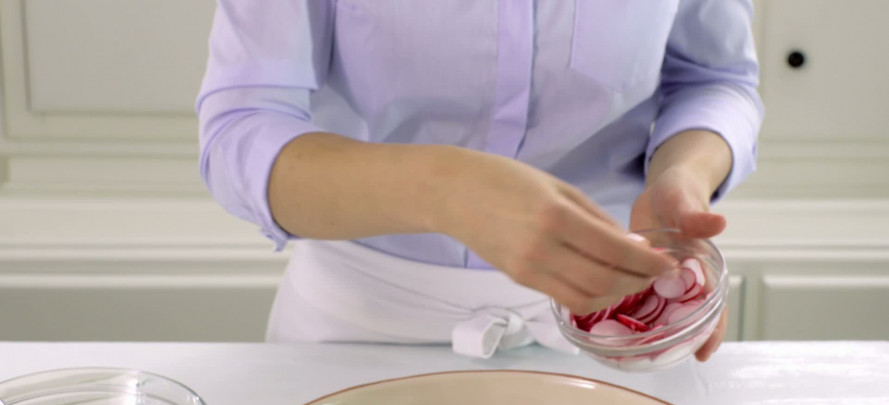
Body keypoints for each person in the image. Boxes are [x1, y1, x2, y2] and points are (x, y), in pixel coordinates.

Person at [196, 0, 763, 360]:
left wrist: (683, 173)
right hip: (355, 329)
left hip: (609, 327)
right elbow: (240, 130)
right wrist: (441, 189)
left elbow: (716, 78)